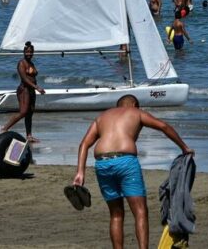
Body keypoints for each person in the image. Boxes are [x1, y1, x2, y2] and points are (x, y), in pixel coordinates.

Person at [72, 95, 193, 249]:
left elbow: (84, 144)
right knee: (140, 212)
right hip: (125, 162)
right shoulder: (135, 112)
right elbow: (163, 126)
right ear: (134, 104)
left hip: (102, 164)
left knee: (116, 215)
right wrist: (184, 147)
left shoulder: (102, 117)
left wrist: (80, 172)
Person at [2, 41, 45, 142]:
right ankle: (4, 128)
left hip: (31, 91)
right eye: (27, 52)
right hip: (24, 90)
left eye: (31, 52)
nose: (29, 54)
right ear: (24, 52)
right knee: (23, 112)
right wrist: (37, 87)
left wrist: (34, 88)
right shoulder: (21, 63)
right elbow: (25, 79)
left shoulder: (31, 63)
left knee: (30, 113)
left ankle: (29, 135)